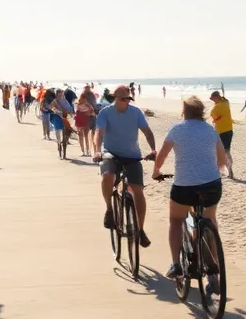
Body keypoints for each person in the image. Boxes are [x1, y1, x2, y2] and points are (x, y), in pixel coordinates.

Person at [152, 96, 226, 279]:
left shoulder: (177, 129)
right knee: (210, 218)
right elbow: (222, 161)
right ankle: (213, 266)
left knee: (176, 220)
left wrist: (156, 171)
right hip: (212, 184)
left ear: (184, 111)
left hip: (184, 187)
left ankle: (176, 264)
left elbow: (161, 157)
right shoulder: (210, 130)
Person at [94, 85, 157, 245]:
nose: (126, 102)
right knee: (107, 175)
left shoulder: (136, 112)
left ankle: (140, 230)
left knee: (138, 191)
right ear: (115, 98)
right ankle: (109, 209)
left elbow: (147, 132)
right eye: (123, 99)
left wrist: (153, 150)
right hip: (111, 153)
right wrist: (96, 150)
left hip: (132, 156)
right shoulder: (105, 112)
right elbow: (99, 133)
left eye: (128, 99)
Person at [208, 91, 235, 178]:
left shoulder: (217, 107)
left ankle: (221, 171)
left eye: (213, 99)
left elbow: (213, 115)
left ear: (216, 97)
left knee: (220, 151)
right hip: (229, 130)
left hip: (221, 131)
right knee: (227, 151)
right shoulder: (226, 103)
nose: (212, 101)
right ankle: (230, 172)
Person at [75, 92, 95, 156]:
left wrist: (88, 113)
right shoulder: (85, 104)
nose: (83, 100)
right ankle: (86, 151)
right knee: (84, 136)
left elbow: (92, 112)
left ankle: (85, 151)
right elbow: (92, 112)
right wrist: (88, 113)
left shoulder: (79, 104)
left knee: (83, 136)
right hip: (83, 120)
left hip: (82, 120)